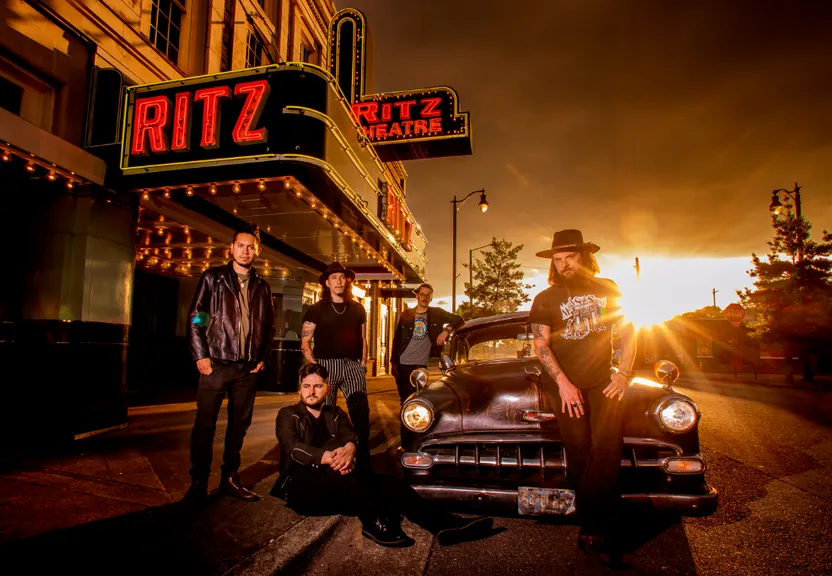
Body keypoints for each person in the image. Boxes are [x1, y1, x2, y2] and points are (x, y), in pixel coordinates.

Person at [271, 363, 495, 547]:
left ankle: (444, 524)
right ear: (299, 389)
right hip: (304, 490)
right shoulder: (288, 414)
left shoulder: (336, 413)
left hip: (341, 486)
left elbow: (351, 436)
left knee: (388, 483)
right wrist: (331, 457)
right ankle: (374, 523)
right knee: (343, 474)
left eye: (318, 386)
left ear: (327, 390)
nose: (311, 391)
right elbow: (293, 448)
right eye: (307, 386)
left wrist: (350, 449)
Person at [529, 229, 637, 568]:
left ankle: (593, 528)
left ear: (584, 258)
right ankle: (595, 523)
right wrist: (562, 383)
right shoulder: (545, 298)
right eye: (557, 261)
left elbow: (631, 332)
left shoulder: (609, 289)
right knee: (578, 448)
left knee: (608, 448)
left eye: (569, 259)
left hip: (604, 380)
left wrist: (623, 373)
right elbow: (541, 345)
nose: (563, 266)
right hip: (563, 383)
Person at [185, 225, 275, 502]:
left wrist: (262, 358)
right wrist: (201, 354)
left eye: (250, 247)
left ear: (257, 251)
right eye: (240, 246)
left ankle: (230, 478)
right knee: (205, 426)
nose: (245, 251)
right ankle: (198, 482)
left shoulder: (262, 284)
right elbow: (197, 317)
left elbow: (269, 325)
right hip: (216, 363)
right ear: (231, 248)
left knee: (239, 426)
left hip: (247, 369)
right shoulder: (214, 278)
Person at [300, 261, 371, 468]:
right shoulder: (316, 309)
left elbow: (363, 339)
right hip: (326, 366)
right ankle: (326, 456)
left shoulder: (358, 308)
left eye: (342, 277)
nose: (339, 281)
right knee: (325, 413)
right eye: (334, 278)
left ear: (347, 281)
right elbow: (305, 341)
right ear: (327, 283)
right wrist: (316, 369)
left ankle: (362, 456)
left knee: (360, 412)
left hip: (352, 366)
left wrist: (363, 365)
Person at [390, 283, 465, 403]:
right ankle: (404, 421)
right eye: (422, 295)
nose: (424, 298)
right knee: (404, 400)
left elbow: (459, 320)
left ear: (431, 298)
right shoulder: (406, 314)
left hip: (420, 365)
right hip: (402, 364)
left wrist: (446, 331)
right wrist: (393, 363)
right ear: (417, 297)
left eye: (427, 295)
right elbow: (397, 339)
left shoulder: (437, 313)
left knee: (417, 399)